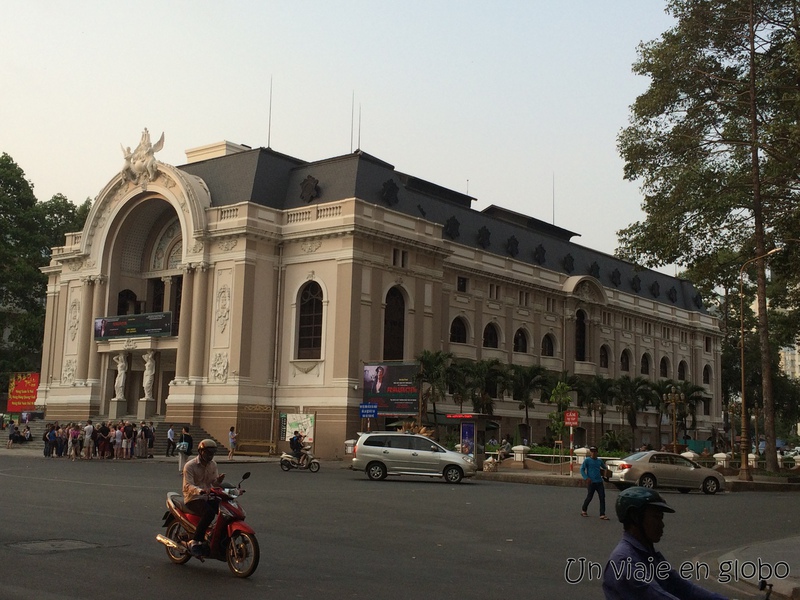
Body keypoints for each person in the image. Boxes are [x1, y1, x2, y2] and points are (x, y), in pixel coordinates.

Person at [603, 487, 728, 599]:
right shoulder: (624, 561)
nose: (662, 525)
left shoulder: (648, 554)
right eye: (656, 518)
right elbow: (657, 595)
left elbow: (684, 588)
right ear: (635, 517)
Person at [182, 439, 225, 556]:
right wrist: (199, 491)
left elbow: (214, 484)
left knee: (224, 509)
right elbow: (187, 485)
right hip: (193, 498)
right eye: (208, 453)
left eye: (212, 453)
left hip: (208, 496)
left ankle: (215, 535)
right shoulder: (190, 466)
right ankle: (195, 541)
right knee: (209, 513)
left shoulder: (213, 465)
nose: (210, 456)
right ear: (201, 452)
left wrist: (219, 481)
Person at [580, 446, 609, 519]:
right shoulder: (587, 460)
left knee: (602, 497)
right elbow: (582, 469)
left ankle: (602, 514)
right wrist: (586, 478)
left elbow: (605, 469)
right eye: (592, 451)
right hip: (591, 482)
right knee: (589, 497)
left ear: (597, 452)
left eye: (594, 451)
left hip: (599, 482)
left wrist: (607, 474)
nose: (593, 453)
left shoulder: (599, 461)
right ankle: (584, 510)